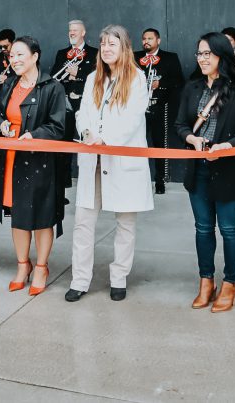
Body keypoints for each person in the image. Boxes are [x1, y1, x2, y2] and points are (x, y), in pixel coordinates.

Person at [65, 24, 152, 303]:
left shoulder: (137, 79)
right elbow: (83, 113)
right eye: (102, 44)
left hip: (121, 160)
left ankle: (119, 278)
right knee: (83, 223)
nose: (106, 49)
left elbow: (132, 119)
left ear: (124, 48)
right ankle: (79, 280)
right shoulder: (93, 78)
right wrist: (88, 134)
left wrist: (105, 139)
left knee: (125, 223)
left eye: (112, 44)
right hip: (93, 159)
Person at [175, 32, 235, 313]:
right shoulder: (193, 87)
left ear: (223, 55)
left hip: (229, 168)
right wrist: (191, 139)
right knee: (203, 228)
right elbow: (180, 125)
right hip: (198, 168)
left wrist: (228, 145)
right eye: (199, 53)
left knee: (230, 229)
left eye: (208, 53)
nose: (202, 59)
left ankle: (230, 284)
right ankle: (206, 281)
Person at [0, 36, 66, 296]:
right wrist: (2, 125)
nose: (15, 60)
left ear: (35, 56)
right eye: (12, 56)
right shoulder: (9, 84)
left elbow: (58, 125)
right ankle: (23, 265)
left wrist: (34, 135)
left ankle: (42, 267)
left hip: (39, 160)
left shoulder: (52, 87)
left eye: (21, 54)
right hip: (12, 157)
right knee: (18, 215)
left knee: (43, 217)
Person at [134, 27, 184, 194]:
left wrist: (160, 84)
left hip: (159, 106)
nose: (146, 41)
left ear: (158, 40)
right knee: (136, 143)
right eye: (144, 38)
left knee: (159, 144)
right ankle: (136, 179)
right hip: (137, 108)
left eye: (150, 38)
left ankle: (160, 180)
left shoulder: (170, 57)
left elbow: (179, 80)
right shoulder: (134, 57)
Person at [51, 19, 97, 188]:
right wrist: (69, 76)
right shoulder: (62, 53)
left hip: (86, 103)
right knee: (65, 141)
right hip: (66, 104)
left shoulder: (94, 53)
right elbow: (55, 75)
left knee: (87, 140)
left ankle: (90, 181)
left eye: (75, 31)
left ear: (83, 33)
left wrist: (77, 73)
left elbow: (97, 76)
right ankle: (65, 181)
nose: (72, 33)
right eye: (70, 30)